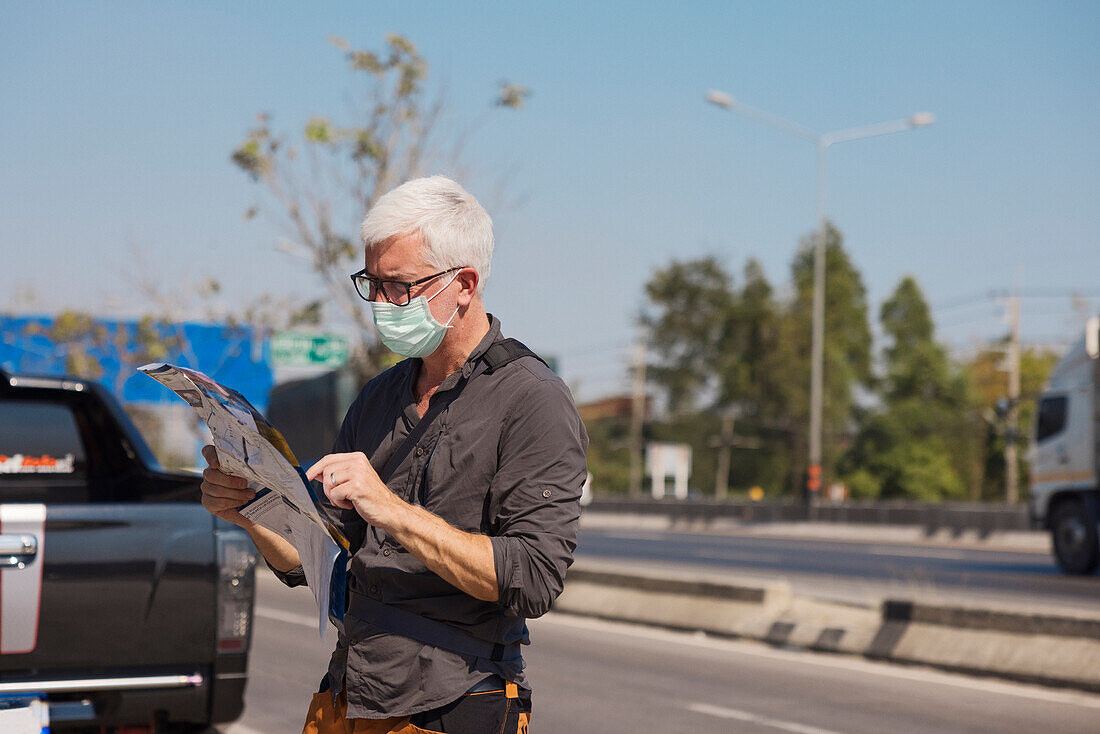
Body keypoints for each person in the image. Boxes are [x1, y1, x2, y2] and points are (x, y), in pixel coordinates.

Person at [199, 175, 588, 734]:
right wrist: (249, 509)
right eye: (372, 283)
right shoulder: (380, 397)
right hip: (350, 692)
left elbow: (533, 577)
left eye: (400, 286)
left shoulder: (531, 400)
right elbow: (310, 559)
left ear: (464, 284)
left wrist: (391, 509)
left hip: (453, 702)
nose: (382, 305)